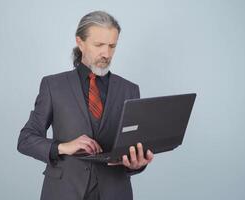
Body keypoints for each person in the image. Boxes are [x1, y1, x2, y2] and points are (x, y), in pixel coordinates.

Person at [17, 11, 154, 200]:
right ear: (80, 42)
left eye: (112, 46)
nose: (106, 53)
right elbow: (26, 139)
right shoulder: (53, 85)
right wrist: (63, 147)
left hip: (115, 192)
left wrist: (137, 163)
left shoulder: (130, 89)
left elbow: (132, 147)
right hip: (63, 191)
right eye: (98, 45)